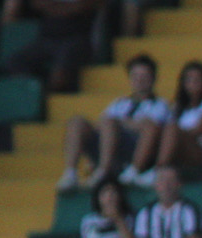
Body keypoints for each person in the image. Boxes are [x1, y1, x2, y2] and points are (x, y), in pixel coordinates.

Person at [59, 54, 167, 192]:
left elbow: (151, 128)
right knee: (77, 122)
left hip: (134, 149)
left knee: (114, 123)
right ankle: (70, 173)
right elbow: (101, 124)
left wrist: (118, 123)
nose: (140, 80)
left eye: (144, 76)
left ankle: (110, 171)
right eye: (135, 76)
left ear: (153, 78)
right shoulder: (119, 103)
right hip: (109, 144)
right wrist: (117, 124)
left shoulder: (159, 104)